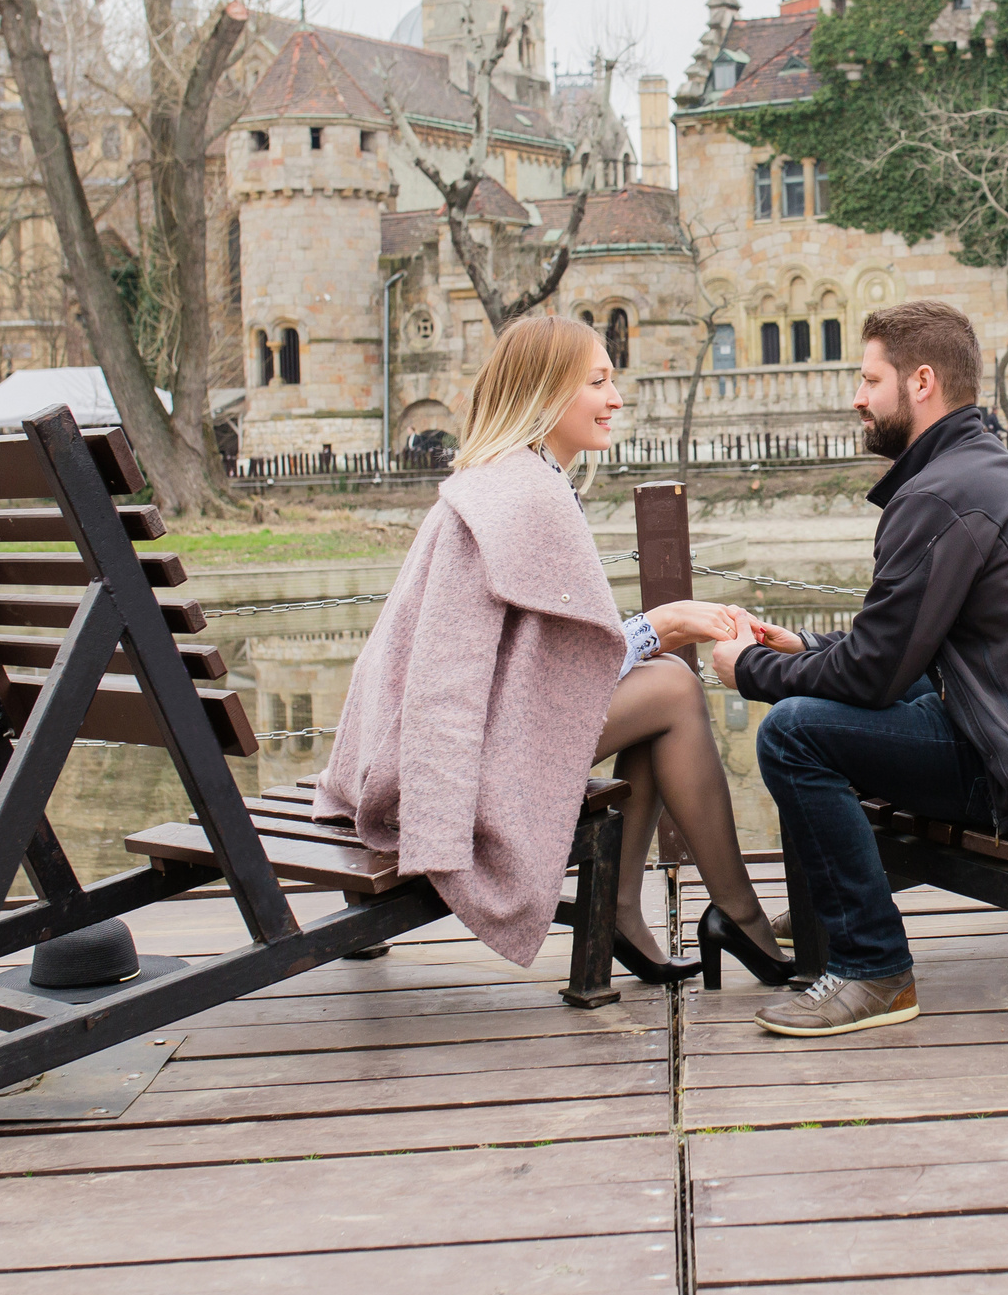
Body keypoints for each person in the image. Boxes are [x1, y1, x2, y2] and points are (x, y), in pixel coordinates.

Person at [316, 315, 791, 990]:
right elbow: (554, 671)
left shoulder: (502, 479)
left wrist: (664, 628)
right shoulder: (529, 493)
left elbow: (549, 662)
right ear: (545, 393)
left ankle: (631, 909)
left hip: (416, 746)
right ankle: (734, 913)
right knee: (675, 689)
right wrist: (662, 623)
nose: (615, 398)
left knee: (662, 687)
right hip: (450, 759)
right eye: (597, 382)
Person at [711, 301, 1008, 1037]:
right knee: (861, 699)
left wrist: (749, 669)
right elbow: (899, 649)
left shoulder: (937, 494)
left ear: (923, 382)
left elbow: (873, 675)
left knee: (792, 734)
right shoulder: (987, 470)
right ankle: (836, 900)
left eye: (871, 380)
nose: (858, 397)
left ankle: (873, 965)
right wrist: (805, 647)